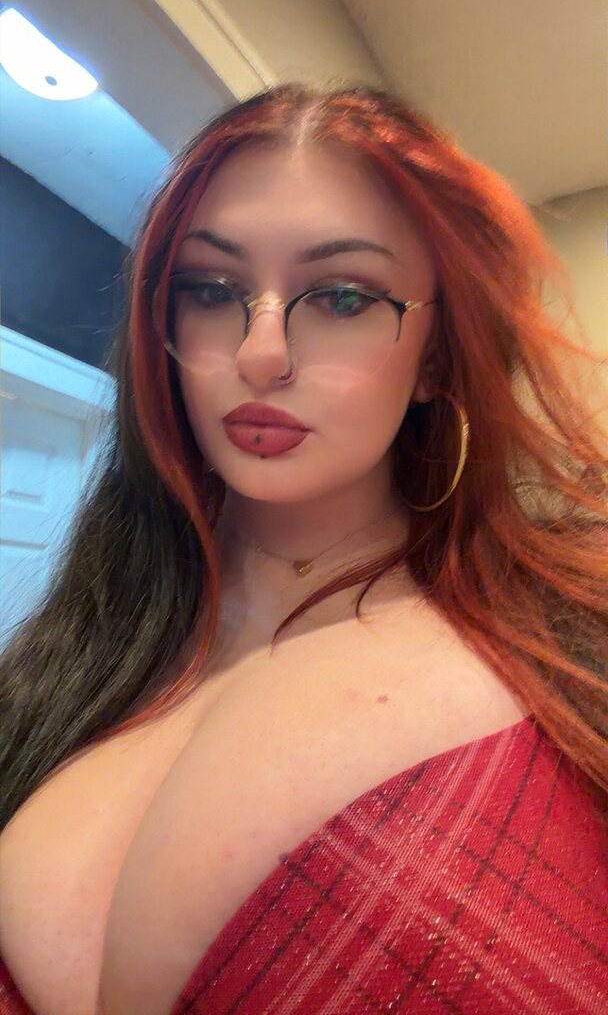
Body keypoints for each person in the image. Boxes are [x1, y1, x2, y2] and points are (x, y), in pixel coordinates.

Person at [0, 84, 606, 1015]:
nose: (261, 353)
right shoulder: (78, 650)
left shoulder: (573, 634)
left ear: (436, 356)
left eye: (343, 297)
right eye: (212, 290)